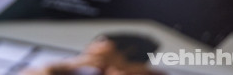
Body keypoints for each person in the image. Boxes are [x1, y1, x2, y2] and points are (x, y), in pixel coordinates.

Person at [20, 33, 161, 75]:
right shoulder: (96, 69)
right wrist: (70, 65)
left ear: (128, 49)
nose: (91, 45)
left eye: (101, 40)